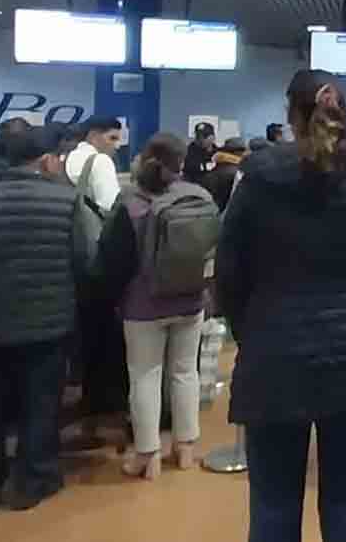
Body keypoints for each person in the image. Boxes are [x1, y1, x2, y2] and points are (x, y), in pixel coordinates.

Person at [217, 70, 346, 541]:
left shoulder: (257, 178)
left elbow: (229, 272)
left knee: (274, 499)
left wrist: (252, 329)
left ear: (290, 115)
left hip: (272, 355)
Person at [0, 125, 94, 511]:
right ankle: (33, 480)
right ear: (45, 160)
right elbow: (86, 263)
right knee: (39, 405)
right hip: (47, 324)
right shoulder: (66, 200)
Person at [96, 133, 215, 480]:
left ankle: (148, 455)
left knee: (145, 376)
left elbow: (112, 260)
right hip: (191, 299)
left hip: (143, 304)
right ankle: (186, 448)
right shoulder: (199, 196)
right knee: (185, 372)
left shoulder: (130, 202)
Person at [64, 116, 128, 446]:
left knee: (84, 330)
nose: (116, 146)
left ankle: (85, 393)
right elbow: (111, 206)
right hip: (96, 256)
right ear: (94, 135)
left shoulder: (66, 159)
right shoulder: (98, 161)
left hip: (69, 255)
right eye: (112, 138)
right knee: (105, 329)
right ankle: (105, 398)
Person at [204, 137, 248, 212]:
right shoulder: (239, 173)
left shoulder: (212, 168)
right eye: (244, 151)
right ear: (238, 152)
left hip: (212, 214)